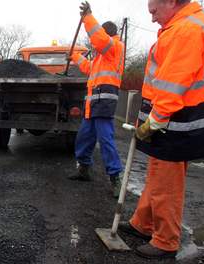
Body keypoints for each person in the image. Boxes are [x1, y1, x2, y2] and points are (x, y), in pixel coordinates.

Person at [118, 0, 204, 259]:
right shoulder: (185, 25)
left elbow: (172, 85)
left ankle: (166, 240)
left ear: (172, 2)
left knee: (166, 182)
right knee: (156, 174)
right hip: (176, 117)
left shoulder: (185, 31)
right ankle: (142, 224)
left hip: (179, 120)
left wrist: (154, 121)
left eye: (154, 11)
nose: (153, 18)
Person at [67, 1, 125, 198]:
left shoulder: (115, 47)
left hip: (105, 102)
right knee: (84, 137)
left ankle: (115, 177)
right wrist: (73, 55)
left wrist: (88, 18)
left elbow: (99, 40)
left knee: (106, 139)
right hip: (93, 104)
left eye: (97, 36)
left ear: (107, 34)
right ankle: (83, 169)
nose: (93, 43)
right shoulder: (102, 58)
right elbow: (87, 67)